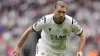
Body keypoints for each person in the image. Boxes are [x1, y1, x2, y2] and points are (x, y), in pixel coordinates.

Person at [13, 1, 86, 56]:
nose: (61, 15)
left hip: (59, 52)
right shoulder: (45, 20)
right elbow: (29, 30)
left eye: (63, 12)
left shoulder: (71, 22)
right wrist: (18, 46)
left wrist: (79, 50)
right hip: (44, 48)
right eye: (59, 12)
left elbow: (82, 34)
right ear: (54, 10)